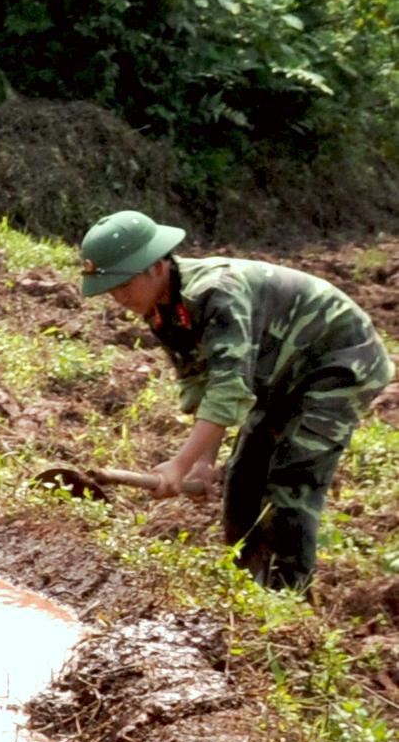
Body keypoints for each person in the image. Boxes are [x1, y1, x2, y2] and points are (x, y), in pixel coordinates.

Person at [78, 212, 392, 591]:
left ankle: (286, 597)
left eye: (125, 284)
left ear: (157, 266)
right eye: (111, 289)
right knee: (243, 479)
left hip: (339, 360)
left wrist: (179, 464)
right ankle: (247, 589)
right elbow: (202, 383)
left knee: (291, 476)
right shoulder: (162, 311)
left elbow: (229, 390)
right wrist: (203, 463)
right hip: (279, 372)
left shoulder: (215, 294)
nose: (120, 298)